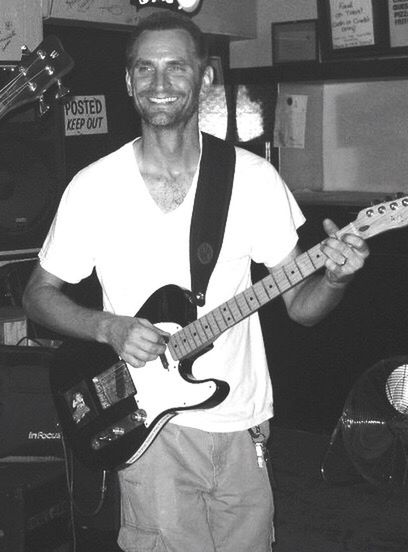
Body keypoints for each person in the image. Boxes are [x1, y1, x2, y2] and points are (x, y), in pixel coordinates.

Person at [22, 11, 369, 552]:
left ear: (204, 77)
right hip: (147, 426)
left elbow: (301, 305)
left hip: (241, 424)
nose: (160, 84)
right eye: (146, 69)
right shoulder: (92, 188)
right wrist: (109, 328)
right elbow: (38, 296)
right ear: (129, 81)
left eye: (176, 67)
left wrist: (336, 280)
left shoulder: (253, 181)